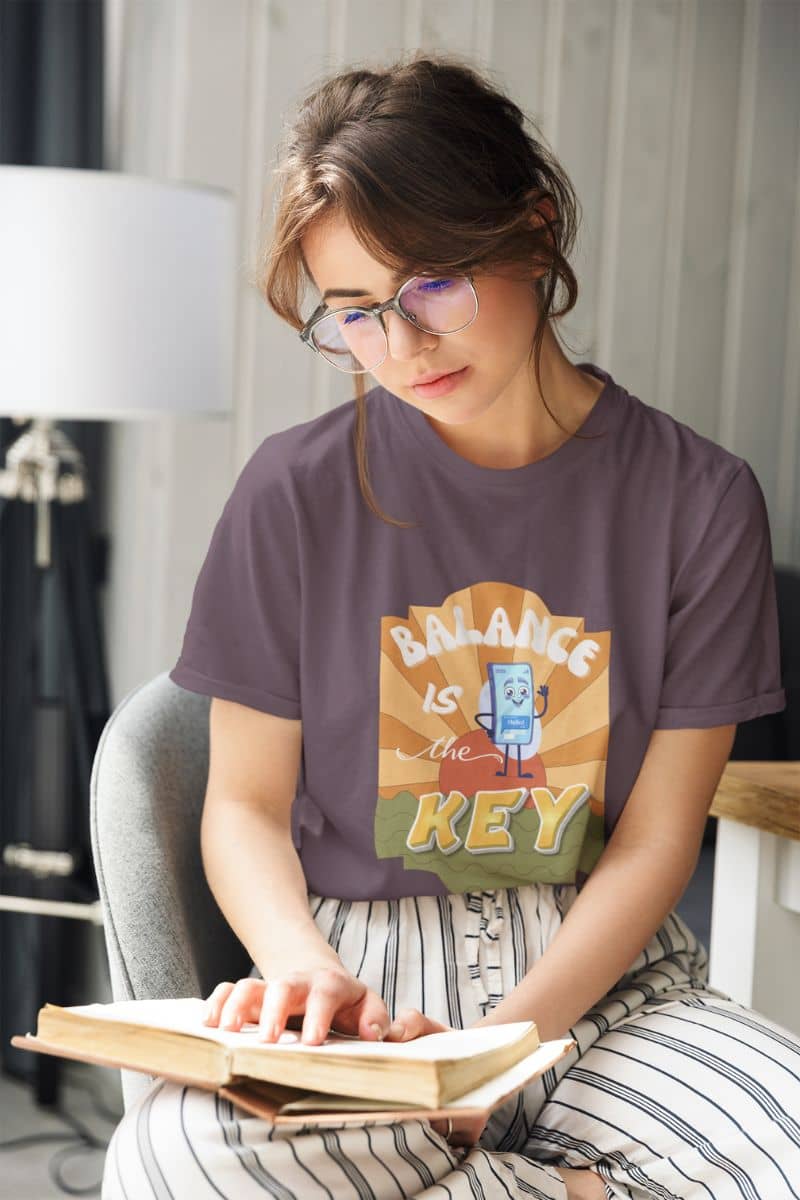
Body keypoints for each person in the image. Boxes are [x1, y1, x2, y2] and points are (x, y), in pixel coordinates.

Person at [102, 51, 800, 1200]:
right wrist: (301, 972)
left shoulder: (698, 500)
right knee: (170, 1168)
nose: (401, 347)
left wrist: (496, 1056)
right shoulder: (292, 494)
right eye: (356, 314)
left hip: (604, 988)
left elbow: (655, 841)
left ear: (531, 232)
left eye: (431, 286)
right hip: (360, 983)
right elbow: (241, 804)